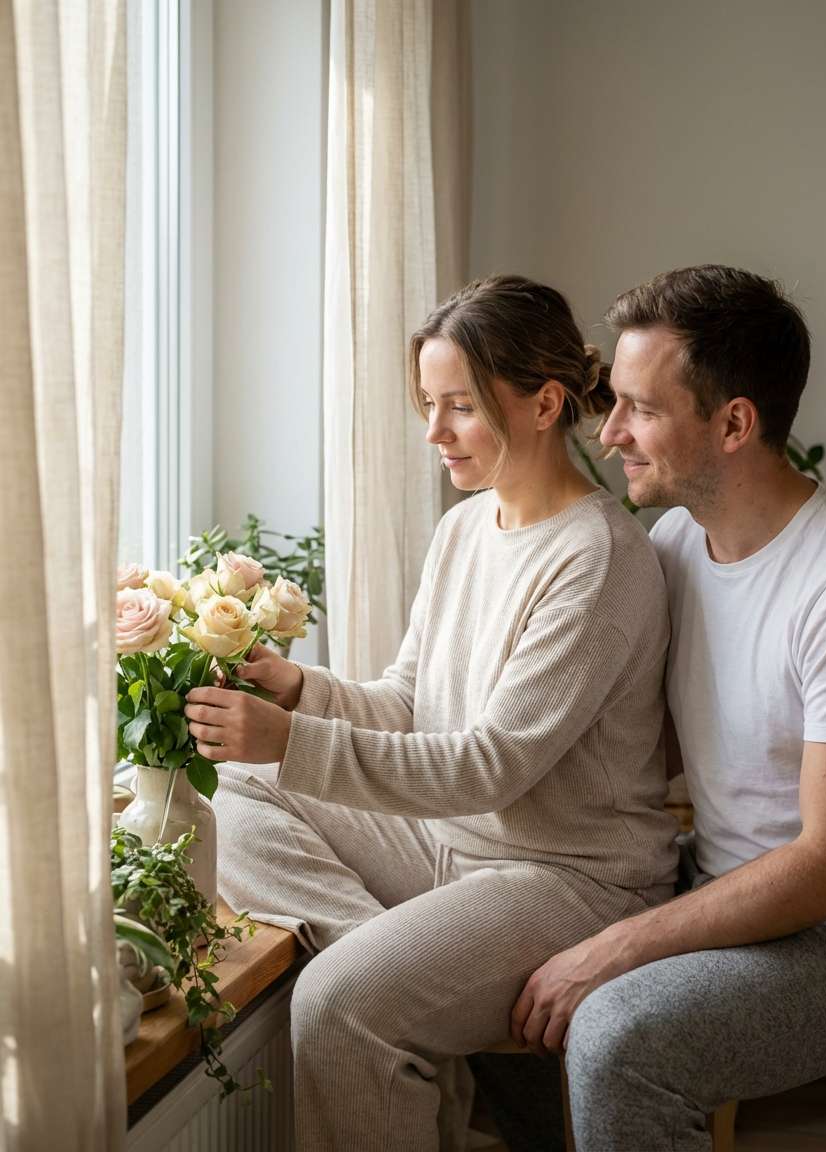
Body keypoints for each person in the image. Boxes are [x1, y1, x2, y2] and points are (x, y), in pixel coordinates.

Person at [184, 275, 680, 1152]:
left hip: (567, 880)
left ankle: (382, 993)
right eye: (427, 403)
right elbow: (410, 703)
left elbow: (492, 765)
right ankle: (396, 980)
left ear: (543, 403)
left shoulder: (598, 559)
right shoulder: (465, 528)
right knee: (241, 784)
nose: (433, 432)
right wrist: (300, 692)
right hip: (450, 845)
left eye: (459, 406)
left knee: (337, 1005)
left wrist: (297, 737)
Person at [510, 265, 826, 1152]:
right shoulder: (673, 545)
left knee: (620, 1037)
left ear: (734, 422)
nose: (611, 432)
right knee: (499, 973)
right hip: (720, 882)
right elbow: (641, 748)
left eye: (641, 409)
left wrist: (620, 945)